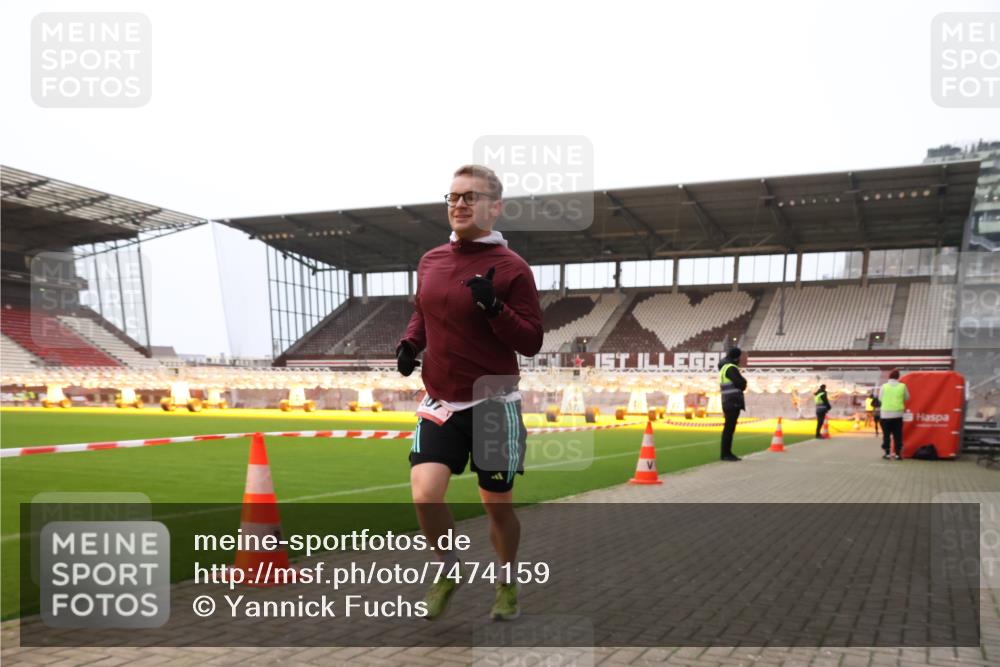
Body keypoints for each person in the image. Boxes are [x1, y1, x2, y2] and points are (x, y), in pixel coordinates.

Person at [396, 164, 543, 621]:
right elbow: (424, 311)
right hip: (441, 399)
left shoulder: (513, 268)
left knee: (496, 507)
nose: (459, 204)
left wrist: (495, 308)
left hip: (495, 402)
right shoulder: (432, 260)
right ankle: (447, 569)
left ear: (494, 208)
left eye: (470, 197)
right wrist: (411, 342)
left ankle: (506, 581)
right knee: (425, 494)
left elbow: (531, 341)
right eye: (453, 197)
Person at [718, 347, 748, 461]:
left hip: (727, 400)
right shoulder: (731, 368)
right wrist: (744, 382)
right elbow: (741, 383)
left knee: (728, 428)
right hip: (733, 401)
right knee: (729, 428)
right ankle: (726, 454)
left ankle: (725, 453)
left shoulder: (724, 367)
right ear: (737, 357)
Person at [876, 369, 909, 460]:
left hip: (885, 414)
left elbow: (880, 398)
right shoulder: (902, 386)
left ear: (889, 377)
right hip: (897, 414)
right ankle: (898, 454)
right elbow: (907, 397)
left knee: (886, 435)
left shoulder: (884, 386)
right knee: (897, 435)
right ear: (898, 377)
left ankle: (887, 453)